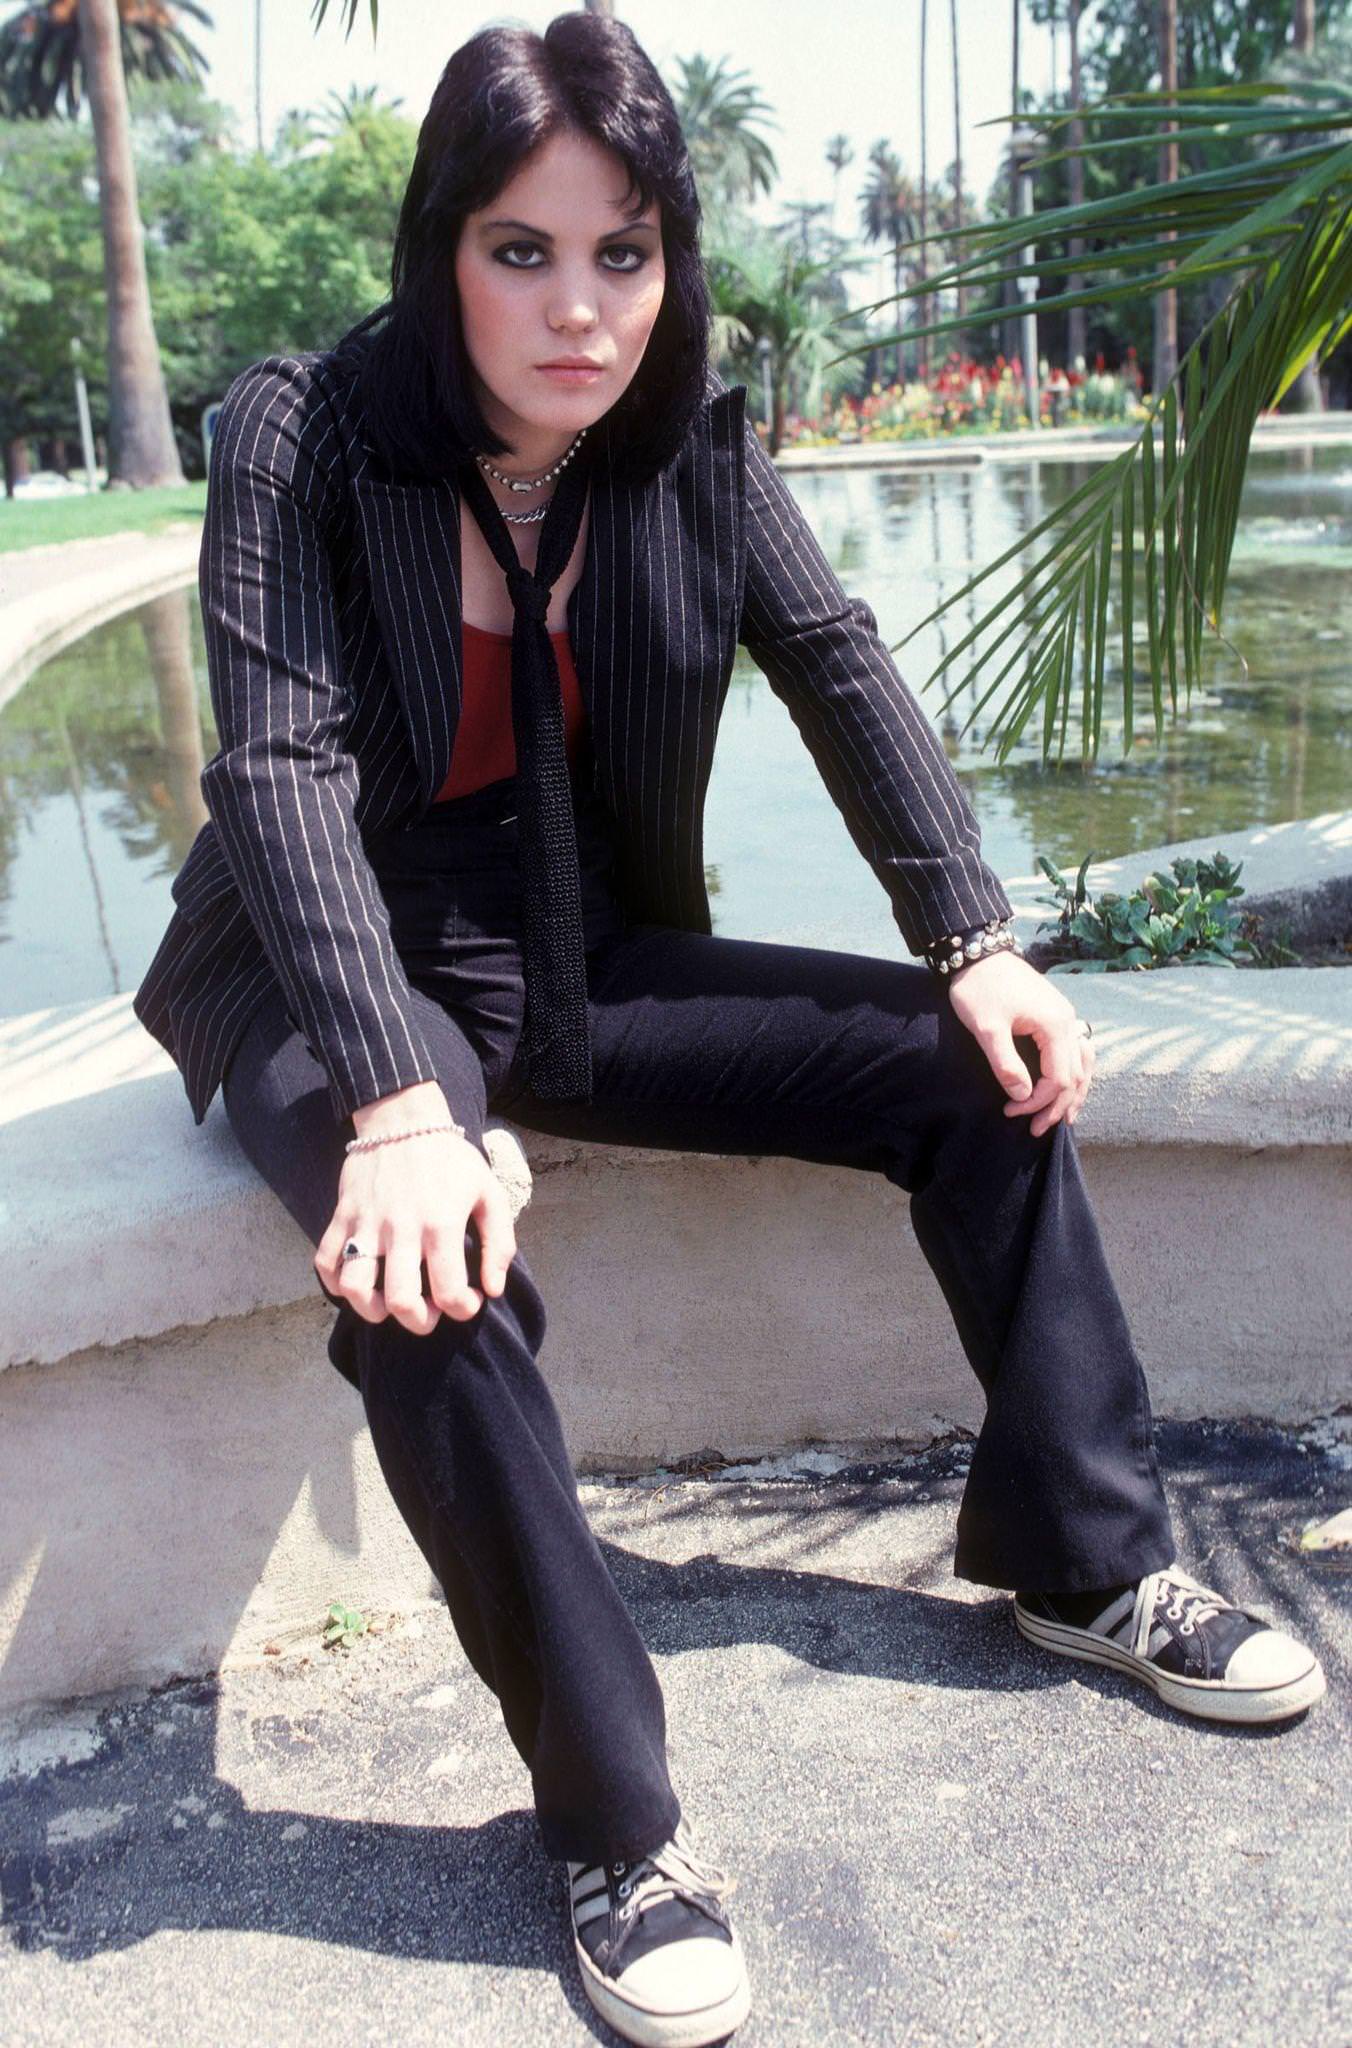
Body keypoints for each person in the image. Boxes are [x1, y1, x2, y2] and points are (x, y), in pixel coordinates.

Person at [131, 16, 1326, 2046]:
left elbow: (838, 660)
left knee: (972, 1075)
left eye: (623, 253)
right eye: (522, 251)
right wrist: (399, 1100)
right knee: (428, 1268)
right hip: (316, 958)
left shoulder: (689, 432)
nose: (578, 310)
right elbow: (276, 771)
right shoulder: (300, 431)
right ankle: (616, 1824)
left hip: (566, 941)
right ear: (441, 249)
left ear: (672, 258)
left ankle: (1086, 1558)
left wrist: (971, 935)